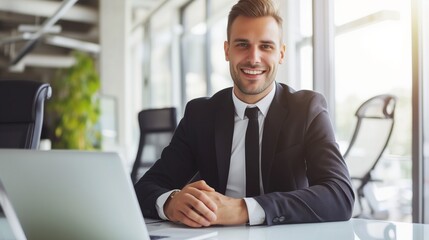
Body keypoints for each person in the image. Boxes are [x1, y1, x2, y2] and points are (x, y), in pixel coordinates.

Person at [135, 0, 354, 227]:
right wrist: (170, 203)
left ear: (281, 53)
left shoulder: (307, 109)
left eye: (266, 46)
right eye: (242, 45)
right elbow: (145, 188)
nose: (253, 58)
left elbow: (339, 195)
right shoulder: (200, 114)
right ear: (227, 50)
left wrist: (243, 209)